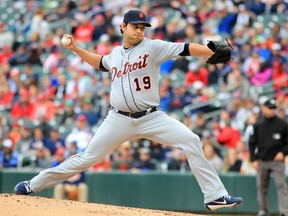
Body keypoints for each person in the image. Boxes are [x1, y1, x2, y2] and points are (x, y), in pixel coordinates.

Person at [13, 9, 242, 211]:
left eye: (143, 27)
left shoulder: (153, 46)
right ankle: (33, 184)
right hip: (118, 119)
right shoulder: (115, 54)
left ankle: (214, 196)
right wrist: (76, 49)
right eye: (135, 26)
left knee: (191, 140)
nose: (140, 31)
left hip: (152, 117)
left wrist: (210, 51)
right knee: (87, 158)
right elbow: (100, 62)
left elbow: (185, 49)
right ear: (123, 27)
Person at [249, 98, 288, 216]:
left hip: (278, 161)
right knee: (261, 187)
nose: (272, 111)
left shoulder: (282, 123)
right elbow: (251, 143)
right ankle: (263, 211)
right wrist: (253, 159)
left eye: (273, 108)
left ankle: (285, 211)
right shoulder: (258, 124)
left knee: (282, 186)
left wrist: (283, 152)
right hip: (262, 160)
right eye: (270, 108)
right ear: (263, 108)